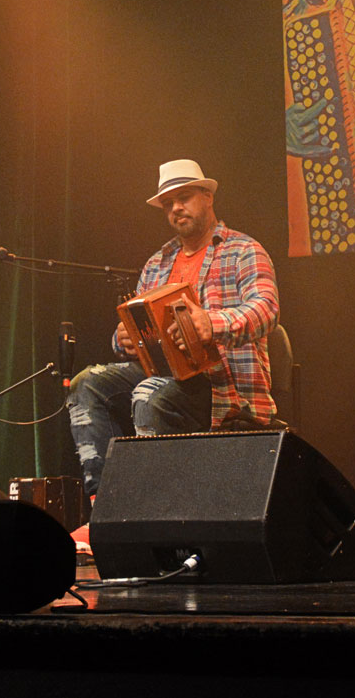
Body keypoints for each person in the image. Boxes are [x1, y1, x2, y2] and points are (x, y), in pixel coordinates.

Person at [67, 160, 280, 506]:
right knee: (86, 383)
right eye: (168, 203)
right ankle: (104, 504)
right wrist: (126, 340)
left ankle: (156, 510)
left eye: (184, 197)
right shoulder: (157, 263)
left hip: (221, 384)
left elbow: (267, 310)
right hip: (167, 376)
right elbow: (142, 328)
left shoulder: (244, 250)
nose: (176, 208)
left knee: (149, 393)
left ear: (208, 197)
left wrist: (212, 324)